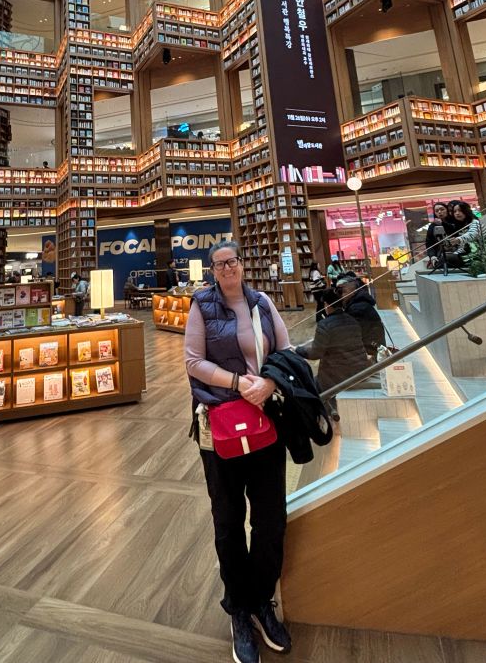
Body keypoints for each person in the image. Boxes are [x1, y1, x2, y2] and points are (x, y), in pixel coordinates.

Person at [184, 240, 293, 663]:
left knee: (270, 518)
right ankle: (239, 611)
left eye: (232, 261)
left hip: (265, 422)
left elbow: (284, 352)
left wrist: (269, 382)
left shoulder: (262, 303)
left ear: (242, 265)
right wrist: (237, 382)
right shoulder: (201, 305)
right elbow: (193, 362)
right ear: (212, 271)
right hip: (221, 427)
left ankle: (262, 601)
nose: (227, 269)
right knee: (228, 520)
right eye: (219, 264)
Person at [295, 288, 371, 421]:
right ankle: (331, 409)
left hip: (338, 374)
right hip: (359, 369)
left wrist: (298, 350)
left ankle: (326, 414)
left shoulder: (325, 325)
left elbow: (315, 353)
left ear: (327, 305)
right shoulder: (353, 320)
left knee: (310, 384)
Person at [337, 275, 386, 360]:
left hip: (371, 354)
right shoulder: (359, 303)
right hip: (373, 349)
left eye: (342, 291)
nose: (340, 295)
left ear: (353, 291)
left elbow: (351, 338)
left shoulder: (356, 309)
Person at [425, 202, 454, 269]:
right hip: (440, 253)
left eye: (442, 209)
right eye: (437, 211)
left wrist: (442, 223)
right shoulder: (432, 226)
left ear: (447, 210)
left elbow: (454, 230)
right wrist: (432, 256)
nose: (439, 212)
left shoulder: (454, 221)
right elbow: (429, 243)